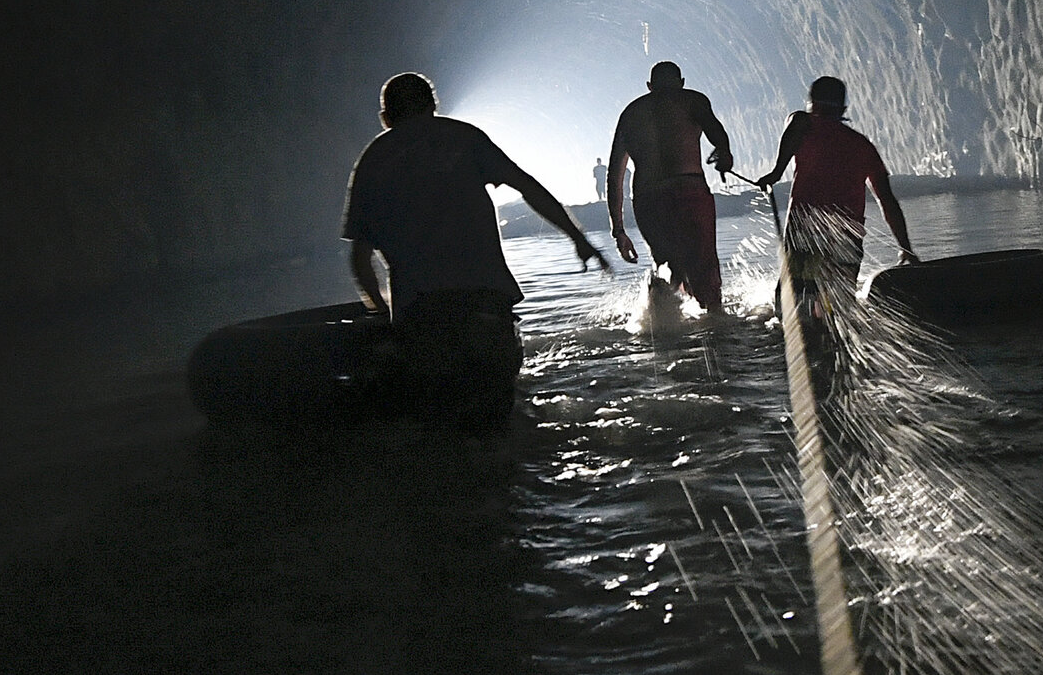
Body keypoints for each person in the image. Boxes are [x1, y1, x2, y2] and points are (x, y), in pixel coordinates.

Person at [342, 72, 607, 424]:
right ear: (434, 106)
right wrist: (579, 240)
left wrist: (382, 314)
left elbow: (360, 259)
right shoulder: (465, 138)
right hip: (487, 307)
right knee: (499, 420)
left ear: (386, 118)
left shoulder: (374, 159)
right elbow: (528, 188)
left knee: (445, 430)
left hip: (423, 318)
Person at [751, 74, 920, 300]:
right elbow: (887, 200)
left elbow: (795, 126)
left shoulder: (804, 122)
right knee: (839, 303)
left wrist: (776, 172)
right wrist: (905, 247)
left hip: (808, 229)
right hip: (847, 235)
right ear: (843, 108)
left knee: (797, 299)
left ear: (812, 104)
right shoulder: (863, 146)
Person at [606, 60, 735, 312]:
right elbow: (716, 132)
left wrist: (618, 230)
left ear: (649, 86)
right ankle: (716, 325)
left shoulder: (631, 113)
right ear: (682, 83)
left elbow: (614, 175)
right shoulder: (692, 99)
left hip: (648, 200)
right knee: (704, 267)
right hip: (689, 191)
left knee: (667, 266)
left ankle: (661, 322)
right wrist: (724, 153)